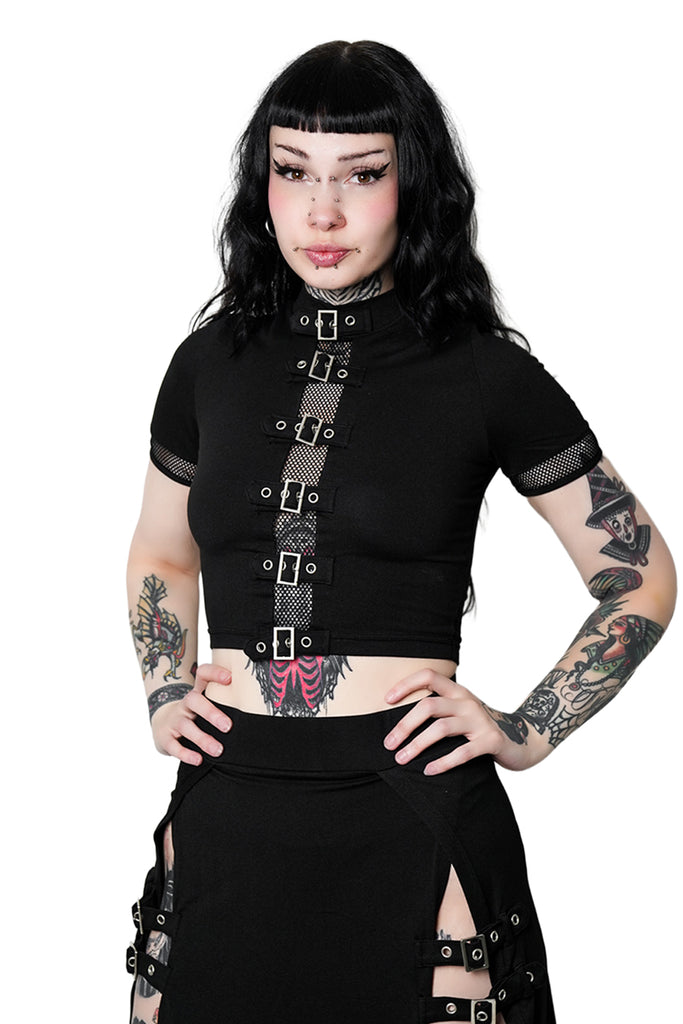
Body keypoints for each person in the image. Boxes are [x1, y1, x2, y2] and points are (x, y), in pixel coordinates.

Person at [125, 40, 676, 1024]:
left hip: (409, 804)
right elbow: (162, 552)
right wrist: (165, 686)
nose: (321, 212)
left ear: (412, 182)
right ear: (262, 184)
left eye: (361, 174)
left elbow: (637, 576)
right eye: (293, 172)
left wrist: (526, 729)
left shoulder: (484, 373)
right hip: (228, 806)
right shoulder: (206, 363)